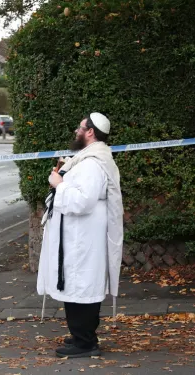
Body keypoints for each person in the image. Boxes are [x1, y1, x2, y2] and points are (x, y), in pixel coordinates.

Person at [37, 113, 123, 358]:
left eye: (80, 127)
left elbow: (83, 201)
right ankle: (81, 335)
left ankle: (84, 342)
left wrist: (59, 184)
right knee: (78, 284)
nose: (77, 130)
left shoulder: (93, 163)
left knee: (81, 285)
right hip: (79, 237)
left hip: (82, 239)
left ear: (90, 132)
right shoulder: (88, 159)